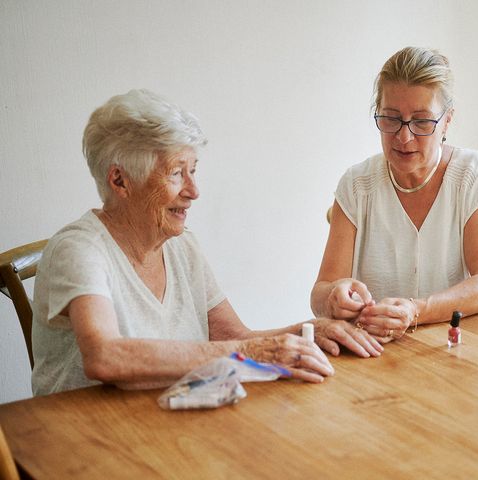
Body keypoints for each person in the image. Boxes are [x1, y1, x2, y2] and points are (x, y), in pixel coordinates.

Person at [32, 89, 383, 395]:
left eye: (193, 170)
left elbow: (234, 337)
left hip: (167, 421)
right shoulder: (78, 250)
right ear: (120, 181)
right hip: (84, 443)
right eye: (175, 173)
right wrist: (261, 353)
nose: (194, 191)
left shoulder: (182, 246)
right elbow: (105, 357)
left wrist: (312, 331)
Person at [310, 47, 478, 341]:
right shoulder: (356, 184)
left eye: (422, 121)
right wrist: (332, 298)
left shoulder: (473, 174)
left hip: (451, 348)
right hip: (375, 350)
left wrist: (417, 311)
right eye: (391, 118)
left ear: (447, 120)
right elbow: (320, 292)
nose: (404, 137)